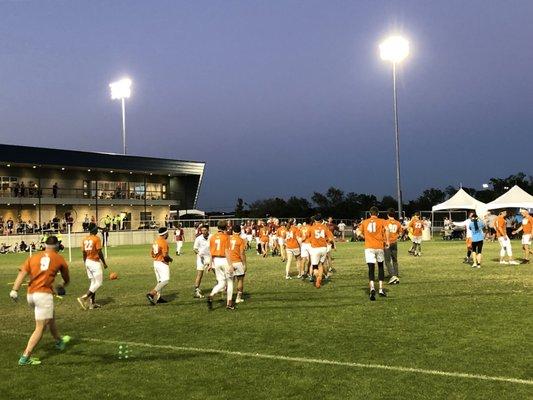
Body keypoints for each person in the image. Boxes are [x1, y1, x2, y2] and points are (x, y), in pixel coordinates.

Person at [9, 236, 71, 365]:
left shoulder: (34, 257)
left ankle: (59, 341)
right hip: (43, 296)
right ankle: (25, 357)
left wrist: (14, 290)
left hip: (31, 295)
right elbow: (66, 279)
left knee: (50, 317)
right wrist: (61, 286)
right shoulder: (59, 258)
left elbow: (22, 273)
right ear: (57, 246)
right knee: (40, 327)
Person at [359, 207, 390, 301]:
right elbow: (387, 229)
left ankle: (372, 288)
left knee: (371, 268)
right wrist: (387, 241)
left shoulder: (365, 221)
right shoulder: (382, 221)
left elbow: (358, 232)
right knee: (380, 266)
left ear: (370, 214)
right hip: (379, 246)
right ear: (378, 214)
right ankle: (380, 289)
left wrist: (364, 237)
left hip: (369, 247)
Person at [77, 224, 109, 310]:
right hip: (94, 262)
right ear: (93, 230)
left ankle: (92, 304)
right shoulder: (96, 238)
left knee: (93, 282)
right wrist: (104, 263)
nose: (97, 230)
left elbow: (83, 253)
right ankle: (84, 298)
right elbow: (99, 252)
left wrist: (85, 262)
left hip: (87, 261)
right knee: (98, 283)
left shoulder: (85, 239)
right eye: (96, 228)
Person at [207, 220, 234, 310]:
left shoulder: (212, 237)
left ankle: (212, 294)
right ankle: (229, 303)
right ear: (226, 227)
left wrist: (210, 264)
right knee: (230, 282)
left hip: (216, 261)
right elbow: (226, 251)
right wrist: (230, 265)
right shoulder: (226, 237)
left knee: (221, 282)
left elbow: (211, 252)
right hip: (224, 260)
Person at [146, 227, 173, 304]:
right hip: (162, 263)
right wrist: (170, 259)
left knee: (160, 281)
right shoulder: (163, 242)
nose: (168, 235)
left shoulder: (156, 241)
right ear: (165, 234)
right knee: (165, 280)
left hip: (156, 262)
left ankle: (157, 298)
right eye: (167, 233)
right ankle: (151, 294)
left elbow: (152, 254)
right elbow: (165, 256)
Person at [306, 214, 333, 288]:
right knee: (320, 264)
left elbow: (306, 236)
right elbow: (330, 238)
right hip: (323, 248)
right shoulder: (325, 227)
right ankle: (319, 279)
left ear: (314, 220)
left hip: (315, 248)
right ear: (321, 220)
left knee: (315, 266)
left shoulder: (311, 228)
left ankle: (317, 277)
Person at [229, 225, 247, 304]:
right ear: (240, 232)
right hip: (237, 261)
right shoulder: (241, 240)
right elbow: (242, 253)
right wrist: (244, 264)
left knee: (230, 281)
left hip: (229, 262)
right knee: (240, 280)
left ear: (232, 231)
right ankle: (238, 298)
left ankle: (229, 298)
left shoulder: (228, 239)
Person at [384, 209, 402, 284]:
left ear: (388, 214)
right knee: (395, 259)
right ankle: (396, 273)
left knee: (387, 260)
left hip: (387, 242)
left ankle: (392, 275)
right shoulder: (398, 223)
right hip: (394, 242)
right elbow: (400, 233)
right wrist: (396, 237)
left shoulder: (385, 222)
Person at [192, 224, 211, 298]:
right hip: (201, 258)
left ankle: (221, 286)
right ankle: (196, 290)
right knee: (200, 273)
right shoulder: (198, 238)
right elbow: (195, 249)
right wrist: (199, 254)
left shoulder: (212, 237)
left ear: (208, 230)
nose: (203, 232)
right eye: (202, 230)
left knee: (216, 271)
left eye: (205, 230)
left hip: (210, 258)